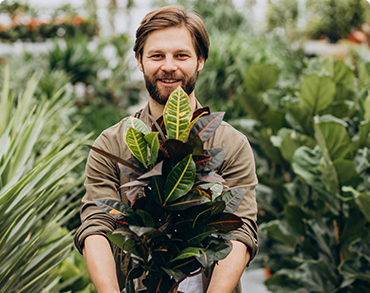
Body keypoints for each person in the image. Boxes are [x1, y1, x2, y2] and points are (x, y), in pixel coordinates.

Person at [74, 5, 258, 293]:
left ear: (200, 61)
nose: (169, 66)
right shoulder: (112, 143)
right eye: (156, 55)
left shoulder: (230, 145)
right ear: (139, 60)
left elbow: (239, 229)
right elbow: (97, 225)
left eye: (181, 55)